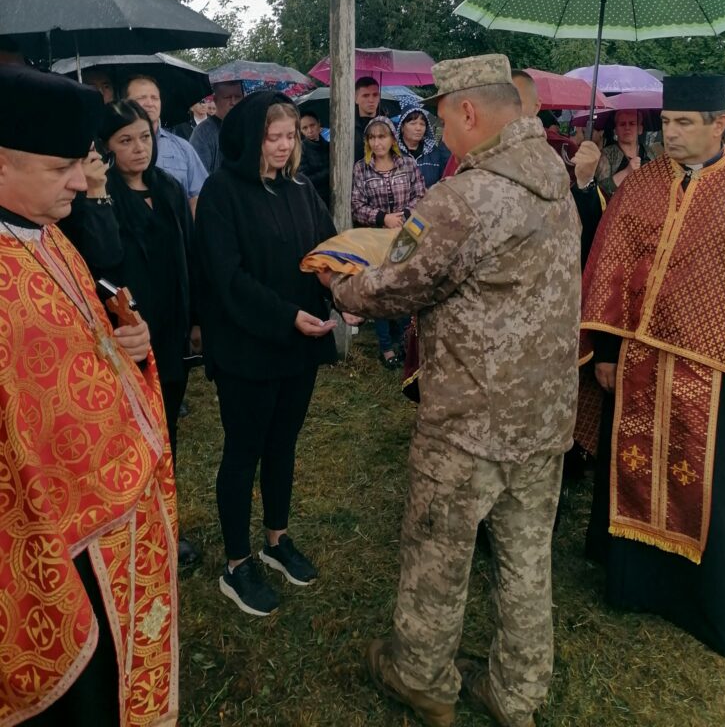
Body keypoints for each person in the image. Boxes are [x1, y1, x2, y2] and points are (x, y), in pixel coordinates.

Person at [326, 55, 581, 727]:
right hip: (546, 415)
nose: (439, 132)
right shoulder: (555, 172)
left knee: (438, 552)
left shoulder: (462, 198)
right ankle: (518, 691)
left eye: (442, 117)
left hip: (468, 422)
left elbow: (395, 283)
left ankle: (422, 677)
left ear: (469, 112)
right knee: (528, 559)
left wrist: (340, 285)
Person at [0, 66, 177, 726]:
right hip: (44, 548)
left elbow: (86, 339)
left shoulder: (46, 233)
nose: (81, 180)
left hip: (101, 530)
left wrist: (129, 342)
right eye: (61, 168)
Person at [582, 73, 725, 659]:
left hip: (715, 373)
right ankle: (636, 583)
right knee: (631, 468)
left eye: (686, 123)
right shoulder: (640, 187)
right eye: (668, 122)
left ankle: (703, 597)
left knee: (709, 484)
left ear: (719, 125)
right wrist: (607, 352)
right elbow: (609, 267)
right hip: (637, 359)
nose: (673, 133)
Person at [195, 91, 341, 617]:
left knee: (284, 444)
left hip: (299, 347)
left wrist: (344, 290)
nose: (282, 147)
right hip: (247, 349)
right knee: (244, 452)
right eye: (271, 138)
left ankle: (276, 540)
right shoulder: (221, 192)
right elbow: (226, 276)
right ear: (248, 139)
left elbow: (325, 252)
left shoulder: (301, 189)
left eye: (288, 137)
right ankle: (236, 564)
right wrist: (284, 316)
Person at [97, 101, 198, 494]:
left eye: (144, 137)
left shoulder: (168, 187)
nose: (139, 147)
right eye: (125, 140)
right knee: (132, 428)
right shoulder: (100, 197)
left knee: (167, 422)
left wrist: (196, 318)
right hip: (128, 334)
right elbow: (102, 264)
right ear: (106, 146)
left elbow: (190, 253)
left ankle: (168, 508)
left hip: (172, 328)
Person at [352, 115, 425, 369]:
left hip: (405, 235)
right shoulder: (361, 168)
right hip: (376, 237)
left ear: (392, 138)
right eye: (372, 137)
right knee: (380, 288)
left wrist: (403, 216)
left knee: (403, 287)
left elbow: (421, 195)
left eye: (382, 136)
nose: (377, 142)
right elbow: (356, 204)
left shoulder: (407, 164)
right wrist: (382, 218)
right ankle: (385, 347)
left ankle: (406, 340)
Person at [124, 74, 207, 215]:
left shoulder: (183, 148)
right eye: (141, 98)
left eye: (154, 98)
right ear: (125, 103)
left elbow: (197, 196)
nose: (149, 103)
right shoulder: (116, 149)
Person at [595, 109, 658, 198]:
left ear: (640, 129)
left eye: (632, 123)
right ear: (616, 130)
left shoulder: (650, 153)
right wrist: (626, 172)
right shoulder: (606, 154)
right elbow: (600, 191)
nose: (627, 128)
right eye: (622, 124)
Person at [190, 80, 244, 173]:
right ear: (215, 100)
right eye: (228, 97)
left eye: (238, 97)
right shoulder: (202, 133)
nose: (233, 102)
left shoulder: (249, 128)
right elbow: (198, 176)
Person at [396, 105, 451, 187]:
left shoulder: (435, 153)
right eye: (413, 123)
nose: (418, 128)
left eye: (422, 124)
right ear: (402, 127)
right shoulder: (393, 154)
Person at [299, 109, 331, 206]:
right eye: (305, 128)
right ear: (301, 131)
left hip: (334, 196)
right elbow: (304, 179)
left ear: (319, 124)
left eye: (312, 125)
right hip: (315, 200)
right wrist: (330, 172)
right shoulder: (300, 150)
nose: (310, 130)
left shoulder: (330, 146)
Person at [354, 75, 381, 162]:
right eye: (365, 96)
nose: (371, 100)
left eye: (375, 95)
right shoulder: (347, 127)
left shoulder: (387, 126)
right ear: (355, 98)